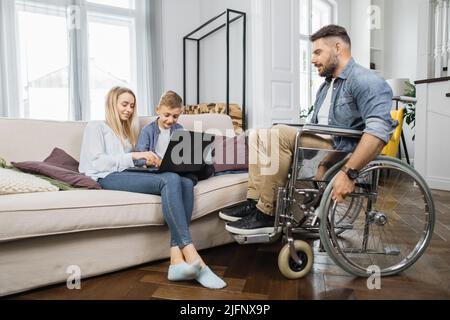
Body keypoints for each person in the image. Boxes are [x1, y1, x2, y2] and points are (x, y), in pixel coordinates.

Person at [220, 25, 397, 235]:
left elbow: (378, 133)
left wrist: (349, 172)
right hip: (319, 148)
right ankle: (255, 202)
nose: (312, 59)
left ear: (338, 47)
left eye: (317, 52)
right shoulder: (326, 86)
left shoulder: (365, 80)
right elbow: (314, 126)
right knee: (258, 134)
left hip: (339, 152)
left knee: (277, 133)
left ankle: (267, 213)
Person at [79, 86, 226, 289]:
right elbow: (95, 163)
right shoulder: (96, 127)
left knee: (182, 180)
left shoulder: (126, 131)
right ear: (112, 104)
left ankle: (176, 260)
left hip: (127, 173)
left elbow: (133, 161)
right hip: (106, 177)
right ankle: (193, 256)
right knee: (169, 179)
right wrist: (135, 156)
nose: (129, 109)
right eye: (124, 104)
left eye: (132, 105)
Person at [135, 90, 214, 184]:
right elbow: (139, 159)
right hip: (158, 168)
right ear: (157, 110)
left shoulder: (179, 129)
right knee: (190, 178)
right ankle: (185, 179)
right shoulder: (147, 130)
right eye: (167, 115)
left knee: (208, 168)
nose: (170, 120)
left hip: (176, 167)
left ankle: (186, 177)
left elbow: (184, 154)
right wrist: (153, 162)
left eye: (175, 116)